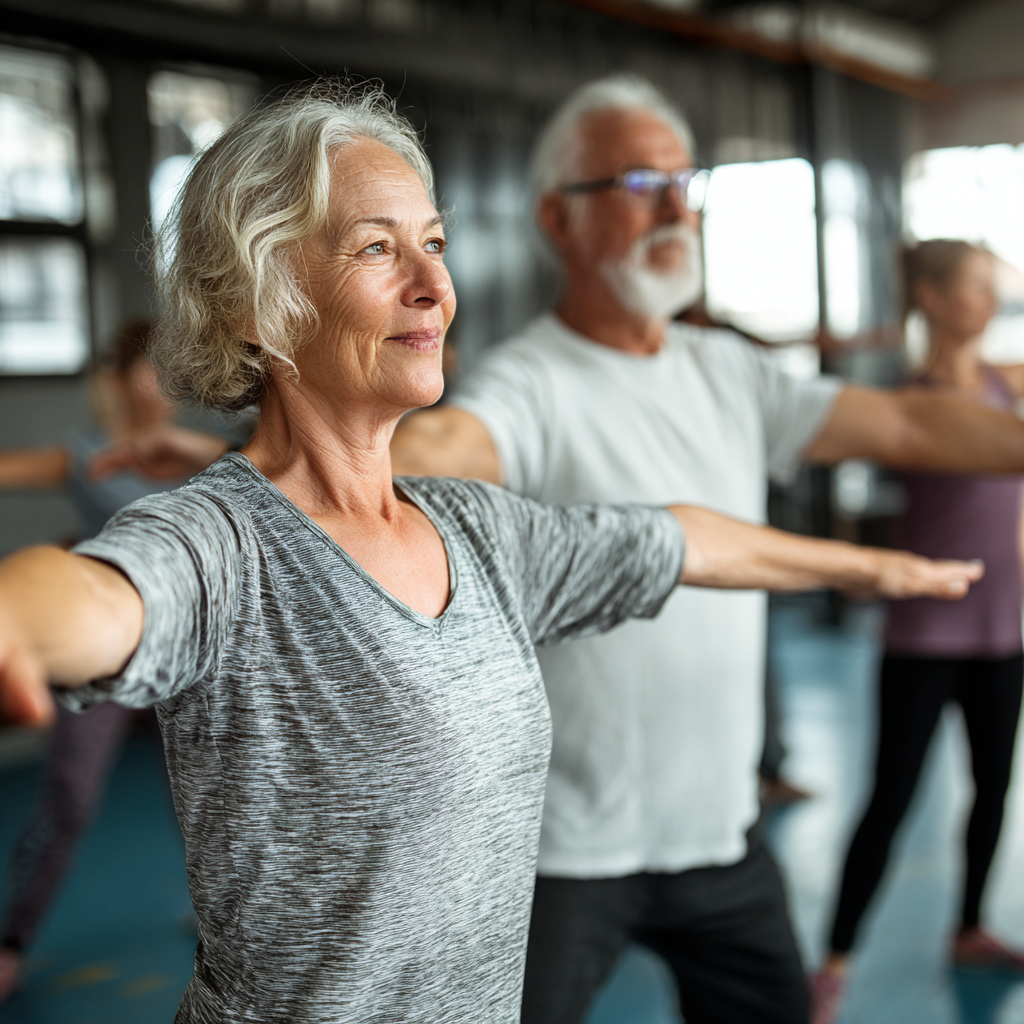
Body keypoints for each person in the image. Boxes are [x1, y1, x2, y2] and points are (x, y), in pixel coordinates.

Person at [0, 83, 982, 1023]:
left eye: (434, 243)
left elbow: (678, 535)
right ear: (262, 305)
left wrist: (867, 567)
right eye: (377, 248)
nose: (434, 286)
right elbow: (92, 594)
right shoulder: (220, 543)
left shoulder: (477, 529)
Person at [384, 76, 1024, 1024]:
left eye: (688, 181)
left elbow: (907, 423)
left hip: (721, 842)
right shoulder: (533, 378)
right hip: (567, 851)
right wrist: (357, 457)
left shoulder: (730, 370)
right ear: (558, 219)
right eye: (641, 182)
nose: (678, 206)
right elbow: (451, 445)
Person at [811, 240, 1024, 1024]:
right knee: (892, 800)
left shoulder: (1006, 383)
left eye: (992, 286)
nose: (989, 299)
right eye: (973, 286)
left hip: (1003, 629)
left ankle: (969, 927)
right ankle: (833, 962)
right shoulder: (910, 402)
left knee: (995, 788)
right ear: (930, 298)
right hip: (924, 636)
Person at [0, 322, 198, 1002]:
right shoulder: (85, 454)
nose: (167, 382)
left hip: (181, 660)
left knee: (201, 800)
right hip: (103, 654)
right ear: (119, 379)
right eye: (153, 367)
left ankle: (216, 917)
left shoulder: (200, 459)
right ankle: (11, 944)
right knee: (70, 800)